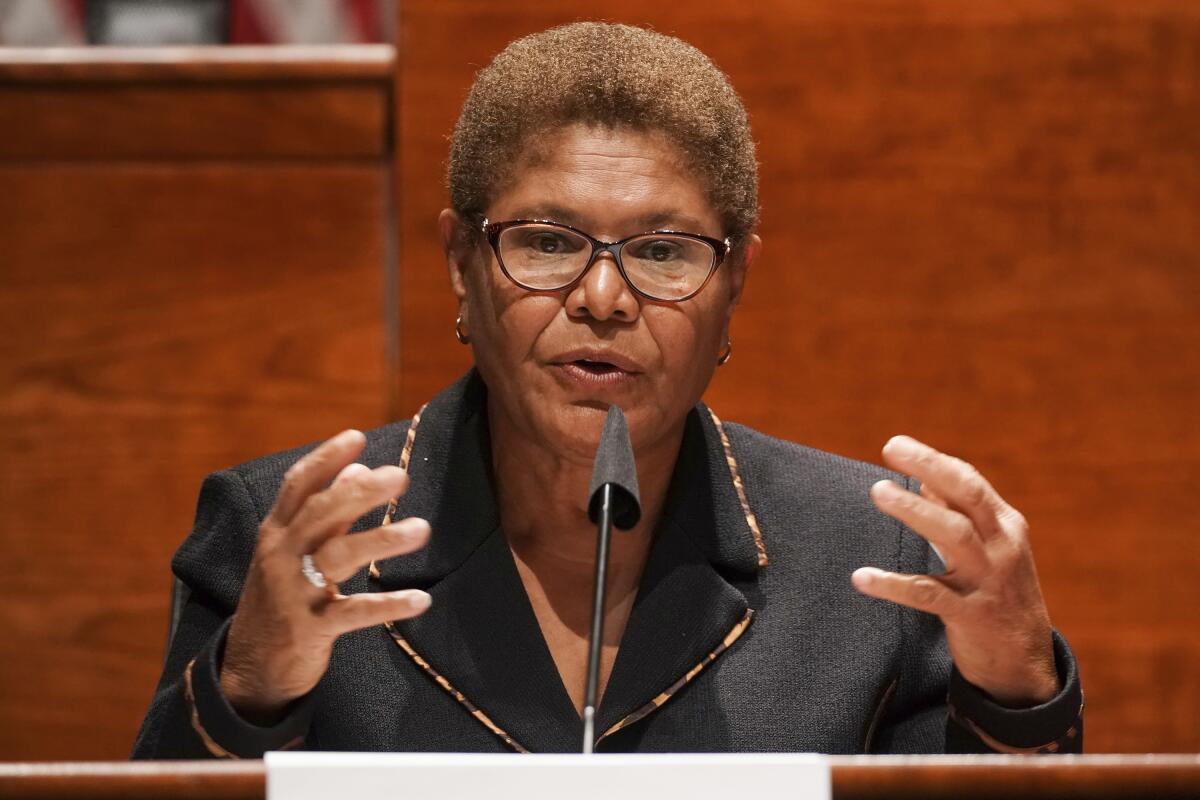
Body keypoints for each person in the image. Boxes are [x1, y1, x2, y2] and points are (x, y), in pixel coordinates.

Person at [133, 22, 1082, 758]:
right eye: (548, 242)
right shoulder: (286, 536)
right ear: (461, 261)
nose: (601, 298)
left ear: (735, 284)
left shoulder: (878, 566)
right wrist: (249, 685)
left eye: (664, 253)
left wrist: (1019, 691)